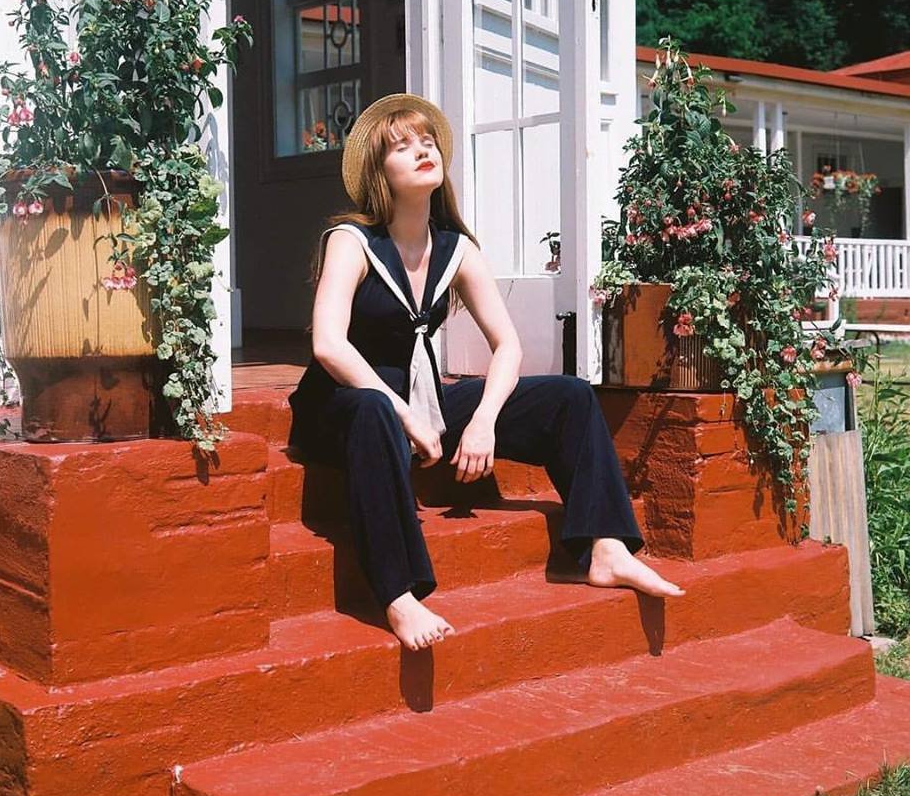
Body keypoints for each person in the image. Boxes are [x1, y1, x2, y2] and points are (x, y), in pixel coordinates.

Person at [288, 94, 684, 653]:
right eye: (402, 146)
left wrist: (483, 422)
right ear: (379, 173)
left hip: (420, 401)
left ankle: (606, 548)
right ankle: (399, 594)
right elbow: (329, 345)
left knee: (569, 396)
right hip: (346, 406)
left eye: (427, 141)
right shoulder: (351, 241)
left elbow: (508, 346)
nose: (422, 150)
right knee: (375, 409)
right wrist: (405, 416)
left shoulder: (456, 250)